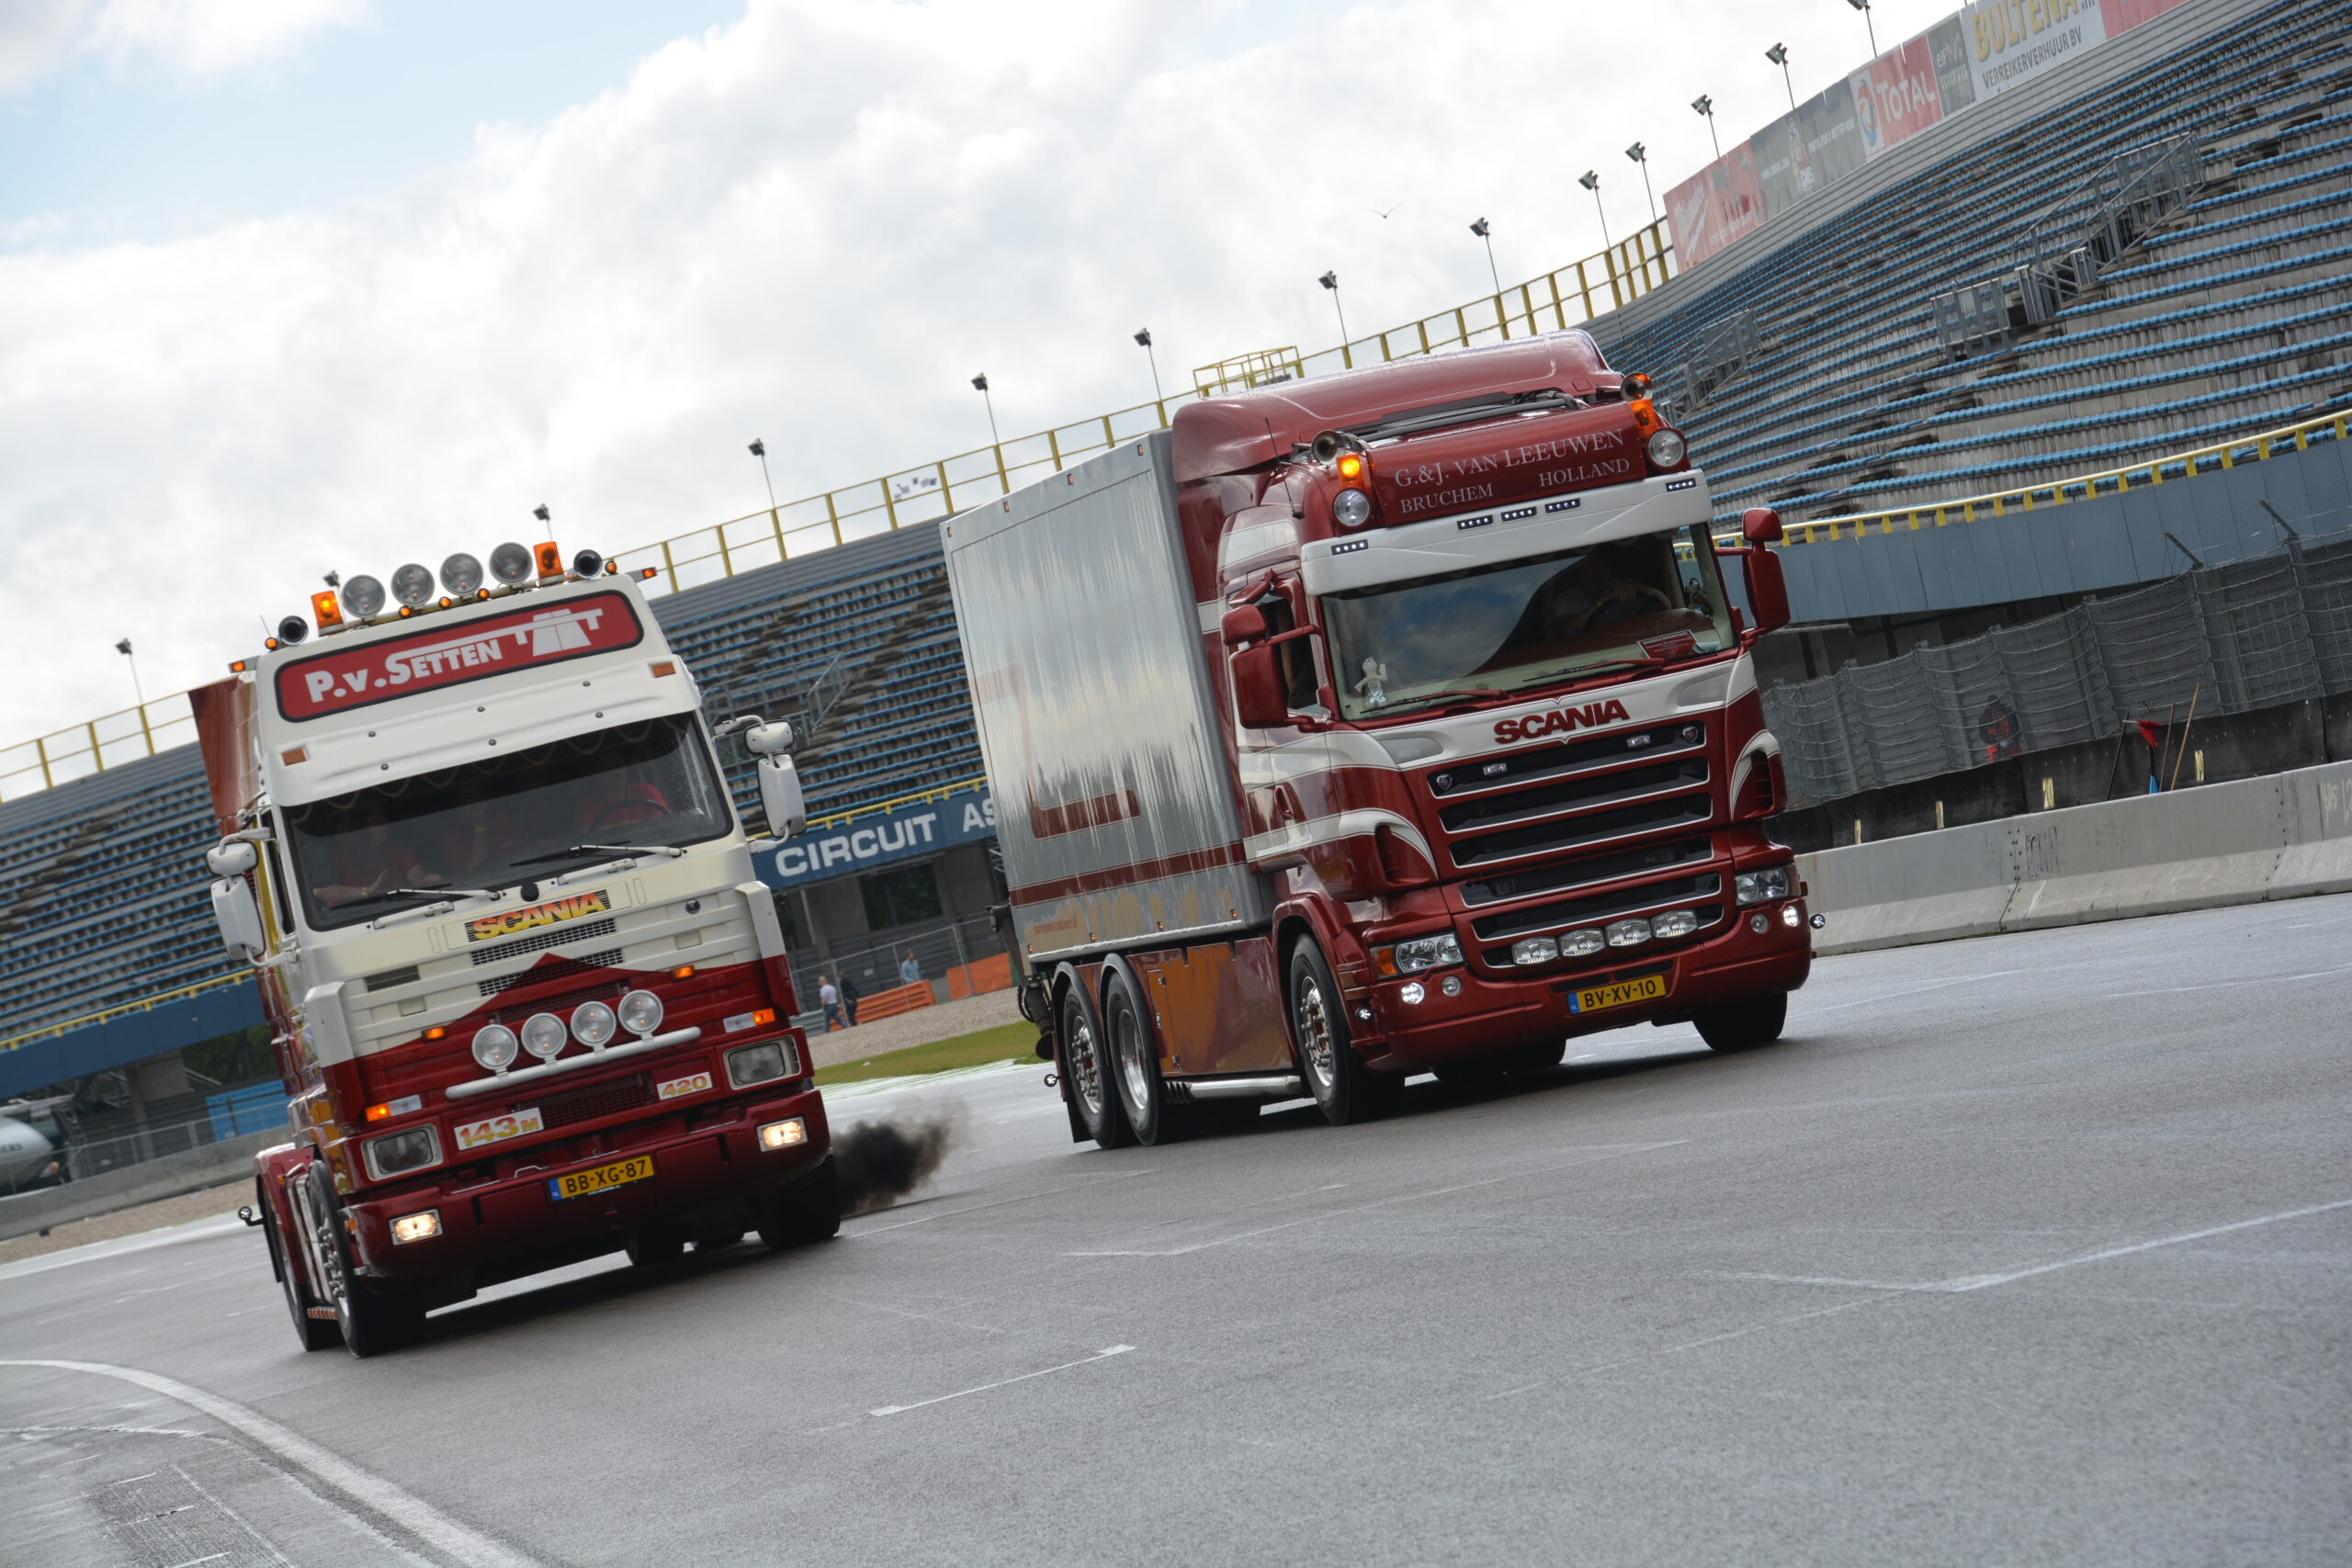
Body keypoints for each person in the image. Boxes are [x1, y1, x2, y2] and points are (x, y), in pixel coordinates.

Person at [1566, 548, 1673, 634]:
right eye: (1587, 572)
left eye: (1599, 571)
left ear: (1607, 571)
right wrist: (1603, 601)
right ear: (1577, 578)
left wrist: (1638, 587)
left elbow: (1667, 606)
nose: (1595, 577)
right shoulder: (1568, 599)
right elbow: (1571, 631)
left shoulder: (1624, 585)